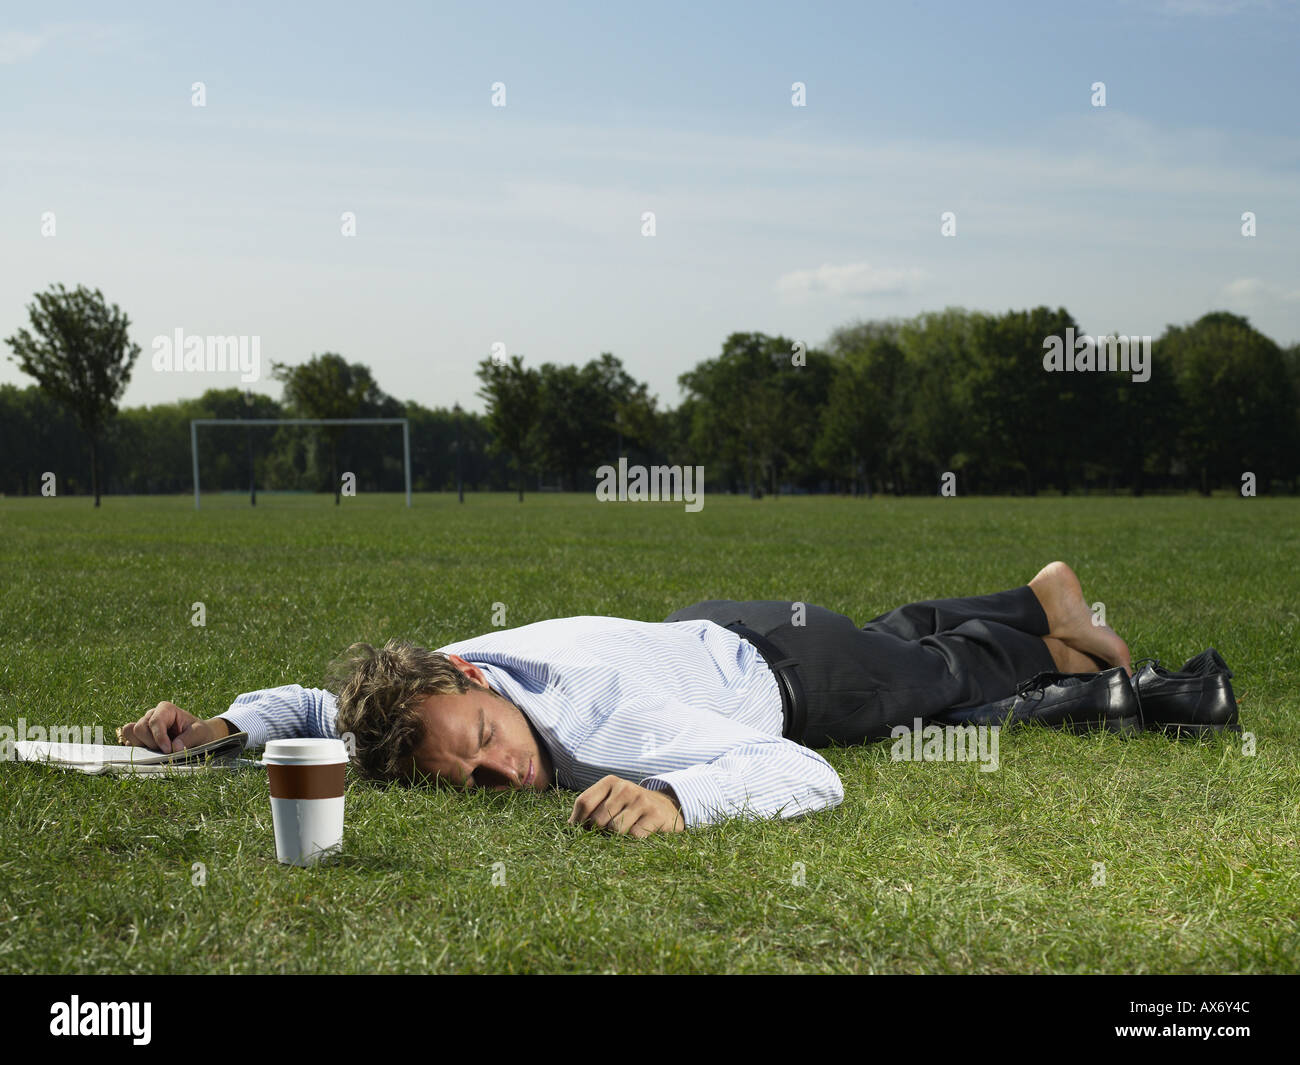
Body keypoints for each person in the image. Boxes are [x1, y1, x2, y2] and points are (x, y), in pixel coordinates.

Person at [118, 562, 1235, 838]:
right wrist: (226, 725)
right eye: (467, 777)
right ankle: (1031, 594)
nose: (501, 774)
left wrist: (675, 802)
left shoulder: (607, 724)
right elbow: (317, 704)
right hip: (715, 626)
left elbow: (809, 772)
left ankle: (1059, 635)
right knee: (896, 637)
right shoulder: (428, 690)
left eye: (490, 746)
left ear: (469, 683)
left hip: (789, 677)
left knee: (932, 684)